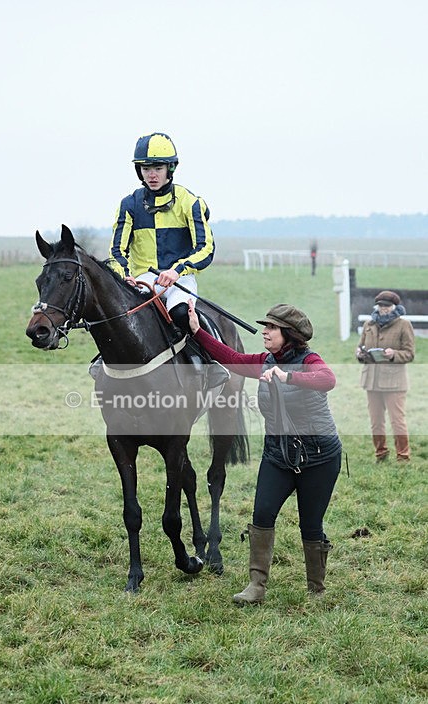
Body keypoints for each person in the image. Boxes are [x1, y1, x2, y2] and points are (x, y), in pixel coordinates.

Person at [188, 300, 342, 604]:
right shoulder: (265, 361)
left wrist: (288, 377)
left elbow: (328, 380)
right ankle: (256, 586)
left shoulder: (310, 360)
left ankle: (317, 588)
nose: (265, 332)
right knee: (262, 514)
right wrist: (197, 332)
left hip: (319, 456)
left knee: (311, 524)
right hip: (278, 453)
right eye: (265, 327)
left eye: (271, 328)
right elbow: (230, 358)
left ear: (289, 333)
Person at [109, 131, 214, 336]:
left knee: (182, 314)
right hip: (142, 281)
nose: (152, 175)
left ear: (170, 168)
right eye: (146, 169)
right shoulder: (129, 205)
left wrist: (177, 270)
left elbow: (206, 248)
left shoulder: (190, 202)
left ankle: (206, 360)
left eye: (158, 168)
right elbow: (117, 250)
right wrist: (126, 276)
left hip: (179, 280)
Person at [356, 290, 415, 462]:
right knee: (376, 422)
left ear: (394, 307)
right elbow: (361, 348)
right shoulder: (369, 324)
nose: (384, 309)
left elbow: (410, 354)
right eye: (381, 306)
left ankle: (403, 456)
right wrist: (360, 353)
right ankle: (380, 454)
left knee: (397, 421)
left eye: (387, 306)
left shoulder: (404, 325)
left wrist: (393, 354)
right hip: (371, 381)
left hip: (394, 382)